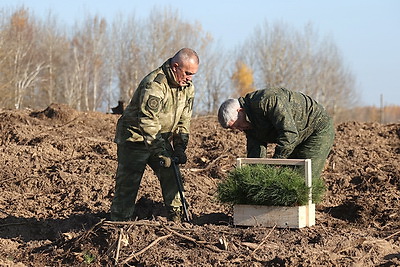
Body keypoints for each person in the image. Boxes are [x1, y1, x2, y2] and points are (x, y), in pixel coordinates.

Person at [110, 48, 199, 222]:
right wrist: (161, 152)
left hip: (159, 138)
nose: (190, 78)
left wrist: (180, 147)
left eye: (193, 74)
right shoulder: (155, 84)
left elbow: (184, 120)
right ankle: (119, 225)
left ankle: (178, 220)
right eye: (187, 73)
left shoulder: (187, 88)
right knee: (128, 186)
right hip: (134, 139)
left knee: (173, 177)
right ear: (175, 67)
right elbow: (147, 121)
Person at [218, 87, 334, 181]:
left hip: (316, 129)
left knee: (302, 179)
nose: (240, 129)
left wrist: (275, 163)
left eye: (238, 125)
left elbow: (289, 134)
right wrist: (254, 178)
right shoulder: (247, 123)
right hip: (296, 135)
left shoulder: (267, 101)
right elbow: (256, 152)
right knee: (285, 178)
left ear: (241, 111)